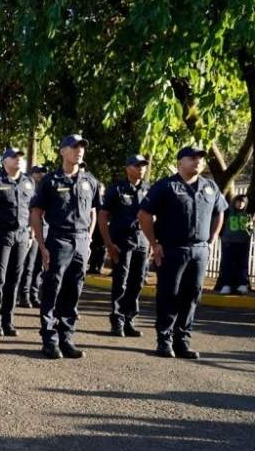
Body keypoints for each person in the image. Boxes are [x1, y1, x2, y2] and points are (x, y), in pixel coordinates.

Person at [139, 146, 228, 358]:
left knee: (192, 295)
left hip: (199, 250)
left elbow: (220, 212)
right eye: (192, 158)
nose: (197, 161)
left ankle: (182, 341)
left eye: (200, 158)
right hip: (172, 248)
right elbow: (144, 214)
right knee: (169, 294)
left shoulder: (210, 187)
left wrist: (213, 237)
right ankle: (164, 340)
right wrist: (154, 243)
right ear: (180, 162)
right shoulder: (166, 186)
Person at [30, 134, 103, 359]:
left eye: (82, 147)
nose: (79, 150)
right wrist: (41, 245)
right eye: (73, 147)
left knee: (74, 290)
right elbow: (36, 213)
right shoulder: (50, 181)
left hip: (80, 241)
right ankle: (50, 339)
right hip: (59, 239)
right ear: (62, 151)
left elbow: (93, 210)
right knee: (52, 289)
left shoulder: (90, 180)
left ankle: (66, 337)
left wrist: (89, 240)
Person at [0, 146, 35, 336]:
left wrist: (32, 234)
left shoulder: (28, 182)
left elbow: (33, 211)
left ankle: (8, 320)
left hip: (21, 236)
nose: (18, 159)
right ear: (4, 162)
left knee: (14, 280)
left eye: (20, 156)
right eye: (13, 157)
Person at [99, 154, 151, 336]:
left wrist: (153, 242)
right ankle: (117, 320)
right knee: (120, 281)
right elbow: (103, 216)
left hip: (142, 241)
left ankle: (129, 319)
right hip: (121, 241)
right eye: (137, 166)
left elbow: (153, 216)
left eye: (143, 166)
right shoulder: (117, 189)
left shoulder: (148, 189)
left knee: (137, 282)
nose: (141, 169)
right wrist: (108, 243)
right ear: (128, 168)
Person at [18, 164, 49, 307]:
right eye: (38, 173)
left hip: (44, 230)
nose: (41, 175)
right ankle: (24, 295)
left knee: (39, 266)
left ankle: (34, 294)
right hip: (31, 231)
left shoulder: (46, 189)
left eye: (43, 173)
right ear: (32, 174)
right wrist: (31, 232)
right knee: (28, 265)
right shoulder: (28, 189)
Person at [215, 194, 252, 294]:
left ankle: (242, 285)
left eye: (243, 202)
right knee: (227, 264)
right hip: (229, 243)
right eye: (238, 202)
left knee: (242, 264)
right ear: (234, 202)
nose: (240, 204)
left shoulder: (248, 214)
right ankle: (226, 285)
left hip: (243, 243)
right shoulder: (229, 213)